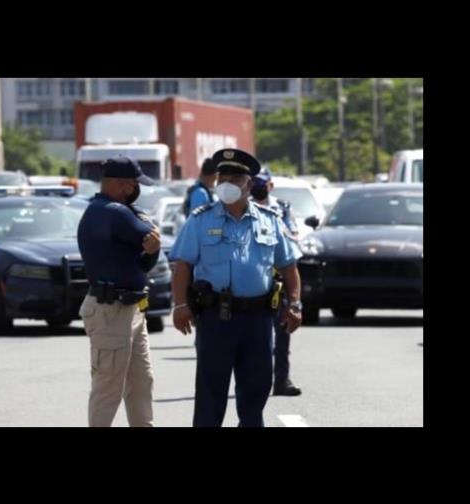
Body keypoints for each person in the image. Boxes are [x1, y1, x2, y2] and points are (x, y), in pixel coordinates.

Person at [169, 148, 303, 427]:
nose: (226, 182)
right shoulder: (201, 219)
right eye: (222, 176)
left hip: (257, 320)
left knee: (255, 392)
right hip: (215, 318)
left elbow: (289, 267)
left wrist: (295, 304)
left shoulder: (269, 220)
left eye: (234, 177)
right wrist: (180, 305)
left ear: (248, 183)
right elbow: (182, 266)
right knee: (210, 395)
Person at [77, 156, 161, 427]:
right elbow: (147, 234)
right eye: (134, 184)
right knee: (108, 388)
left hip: (131, 308)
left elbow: (146, 255)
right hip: (111, 310)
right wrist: (145, 226)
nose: (136, 189)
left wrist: (150, 244)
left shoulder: (111, 210)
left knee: (141, 382)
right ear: (122, 184)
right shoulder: (112, 211)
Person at [250, 169, 303, 396]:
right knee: (257, 336)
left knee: (283, 333)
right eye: (254, 183)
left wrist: (280, 232)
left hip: (280, 276)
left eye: (262, 184)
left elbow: (293, 234)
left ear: (270, 185)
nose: (258, 188)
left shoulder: (281, 208)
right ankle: (254, 378)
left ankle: (281, 380)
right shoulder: (245, 208)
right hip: (258, 278)